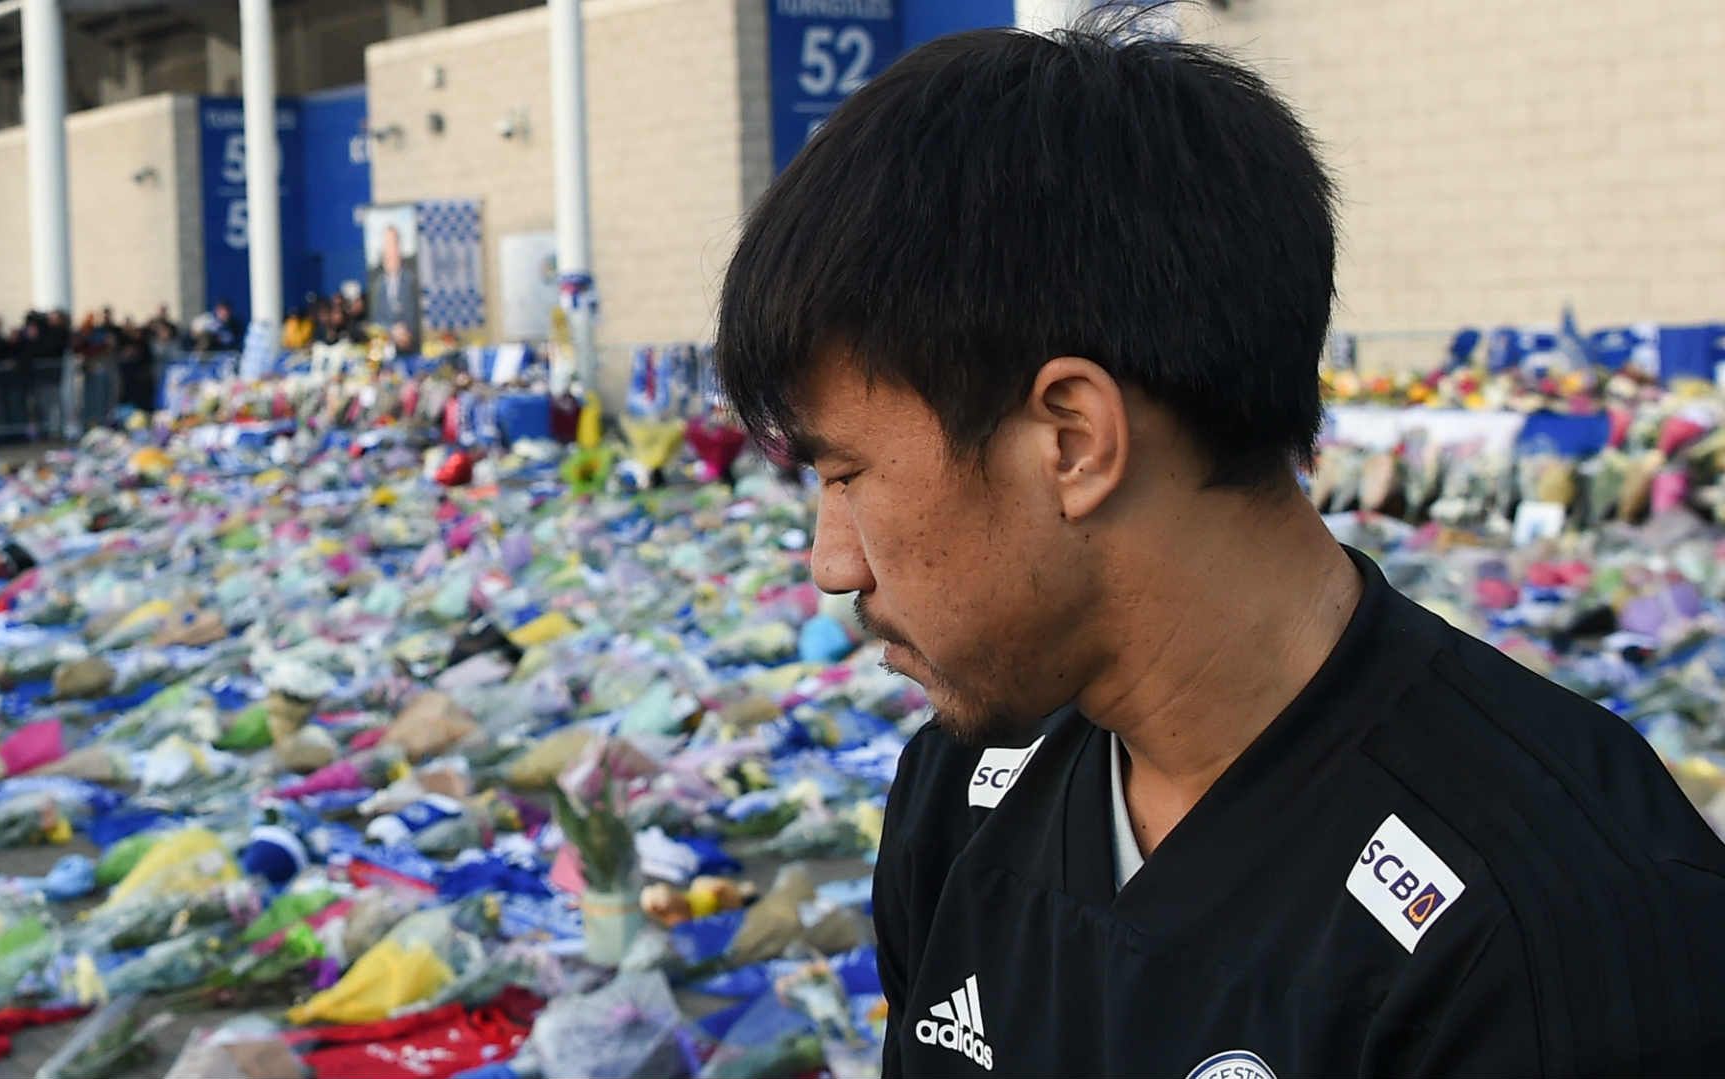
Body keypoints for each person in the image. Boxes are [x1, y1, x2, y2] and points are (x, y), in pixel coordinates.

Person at [713, 18, 1725, 1078]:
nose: (833, 563)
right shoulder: (959, 795)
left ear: (1072, 440)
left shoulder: (1554, 931)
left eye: (844, 474)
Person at [368, 224, 421, 332]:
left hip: (411, 337)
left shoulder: (412, 280)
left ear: (399, 247)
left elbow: (418, 315)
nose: (390, 251)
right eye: (386, 245)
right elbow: (376, 320)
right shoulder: (378, 284)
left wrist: (406, 332)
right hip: (386, 338)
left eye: (392, 244)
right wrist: (392, 330)